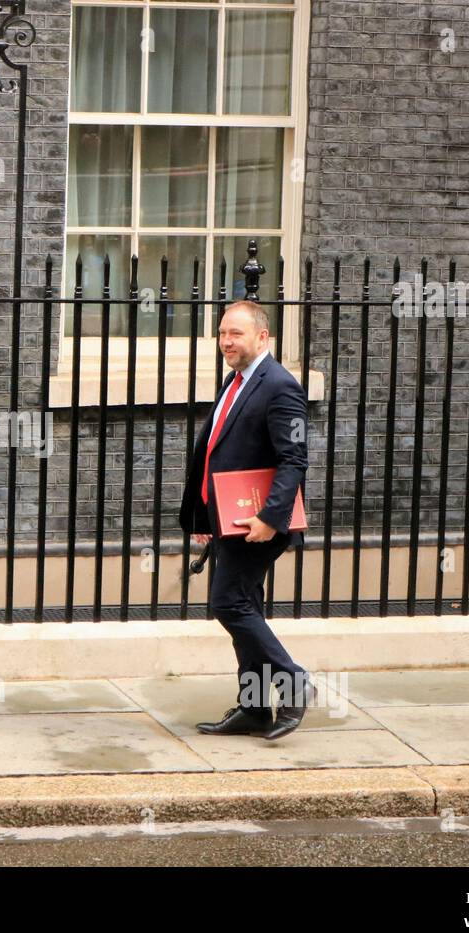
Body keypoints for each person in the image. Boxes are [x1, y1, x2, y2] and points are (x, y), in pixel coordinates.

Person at [178, 299, 314, 740]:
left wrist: (271, 518)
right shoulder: (236, 382)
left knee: (229, 603)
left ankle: (293, 684)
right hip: (231, 520)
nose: (225, 341)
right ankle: (255, 708)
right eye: (221, 333)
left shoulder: (281, 387)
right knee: (244, 605)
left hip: (260, 523)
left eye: (235, 333)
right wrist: (205, 516)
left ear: (262, 337)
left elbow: (294, 459)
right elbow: (216, 451)